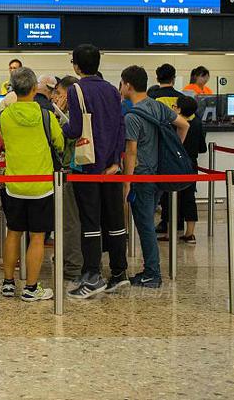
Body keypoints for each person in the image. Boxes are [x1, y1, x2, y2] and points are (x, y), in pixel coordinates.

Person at [63, 44, 129, 300]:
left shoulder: (76, 89)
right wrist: (115, 161)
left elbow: (77, 129)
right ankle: (119, 273)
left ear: (77, 66)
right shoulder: (112, 90)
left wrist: (64, 127)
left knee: (90, 222)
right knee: (114, 221)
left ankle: (92, 275)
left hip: (87, 166)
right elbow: (120, 127)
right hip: (112, 167)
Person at [0, 67, 63, 302]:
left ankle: (8, 283)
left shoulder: (5, 116)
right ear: (35, 89)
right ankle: (31, 288)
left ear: (13, 89)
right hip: (41, 185)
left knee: (13, 233)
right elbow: (59, 141)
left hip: (14, 184)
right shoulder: (46, 115)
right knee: (37, 236)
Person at [121, 66, 189, 289]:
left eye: (122, 84)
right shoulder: (158, 107)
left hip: (142, 177)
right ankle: (152, 270)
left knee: (145, 225)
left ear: (128, 85)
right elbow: (184, 124)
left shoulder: (132, 115)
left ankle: (152, 272)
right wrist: (173, 150)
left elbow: (131, 153)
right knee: (148, 221)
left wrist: (127, 183)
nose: (121, 88)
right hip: (159, 173)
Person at [157, 94, 205, 244]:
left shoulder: (172, 124)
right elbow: (202, 148)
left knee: (170, 198)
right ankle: (190, 233)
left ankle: (170, 233)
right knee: (189, 198)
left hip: (174, 165)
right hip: (191, 165)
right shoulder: (197, 123)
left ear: (179, 109)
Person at [53, 75, 84, 282]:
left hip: (72, 169)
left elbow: (64, 139)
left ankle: (73, 266)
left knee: (70, 221)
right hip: (79, 171)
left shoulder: (73, 115)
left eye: (58, 93)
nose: (55, 97)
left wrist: (58, 115)